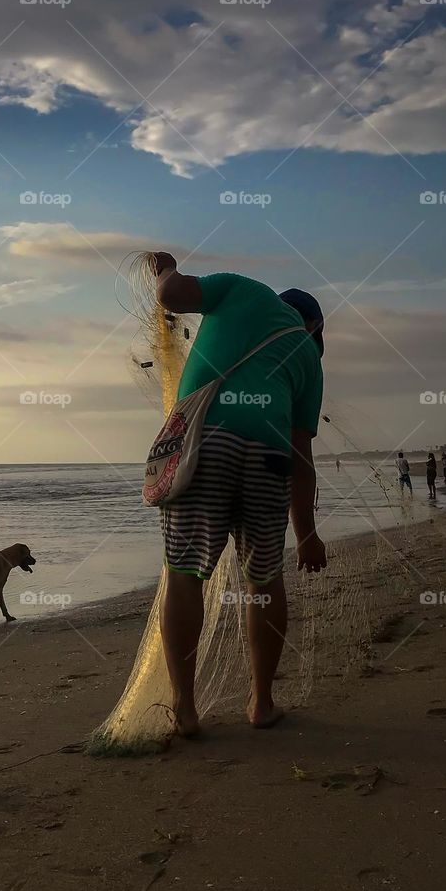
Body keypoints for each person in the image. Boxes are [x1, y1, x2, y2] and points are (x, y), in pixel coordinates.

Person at [150, 257, 326, 736]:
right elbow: (301, 455)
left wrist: (164, 267)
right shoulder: (308, 354)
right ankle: (261, 703)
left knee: (185, 573)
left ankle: (185, 709)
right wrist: (307, 534)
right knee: (263, 578)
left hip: (206, 444)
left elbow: (169, 295)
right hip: (268, 458)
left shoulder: (241, 290)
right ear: (311, 325)